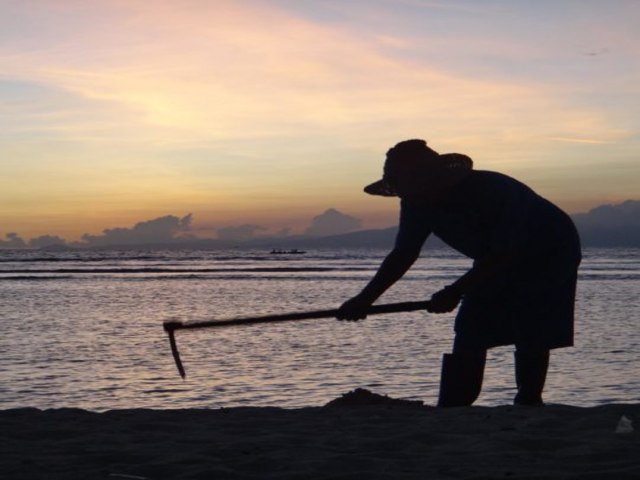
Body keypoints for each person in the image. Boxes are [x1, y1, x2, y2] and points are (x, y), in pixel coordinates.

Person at [337, 139, 581, 407]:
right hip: (494, 255)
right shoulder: (415, 202)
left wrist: (454, 291)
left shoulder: (493, 190)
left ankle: (528, 400)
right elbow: (403, 254)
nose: (412, 197)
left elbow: (507, 251)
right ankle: (455, 405)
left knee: (530, 320)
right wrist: (365, 299)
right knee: (470, 325)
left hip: (551, 250)